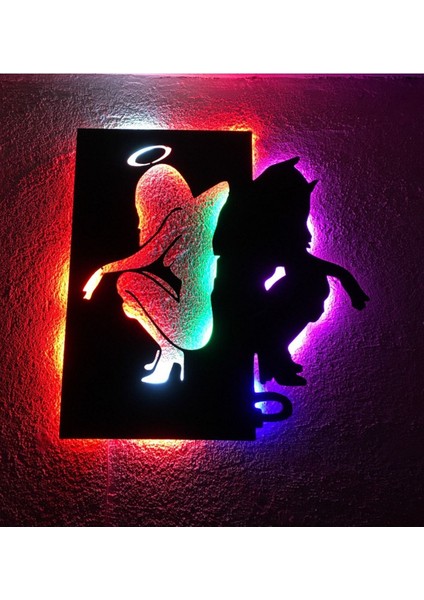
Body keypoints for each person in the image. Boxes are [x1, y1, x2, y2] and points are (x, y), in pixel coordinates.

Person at [83, 163, 229, 384]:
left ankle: (171, 352)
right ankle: (171, 354)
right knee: (132, 304)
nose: (140, 224)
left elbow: (145, 256)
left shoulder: (181, 219)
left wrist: (103, 270)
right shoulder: (195, 221)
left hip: (192, 327)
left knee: (127, 282)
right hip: (200, 325)